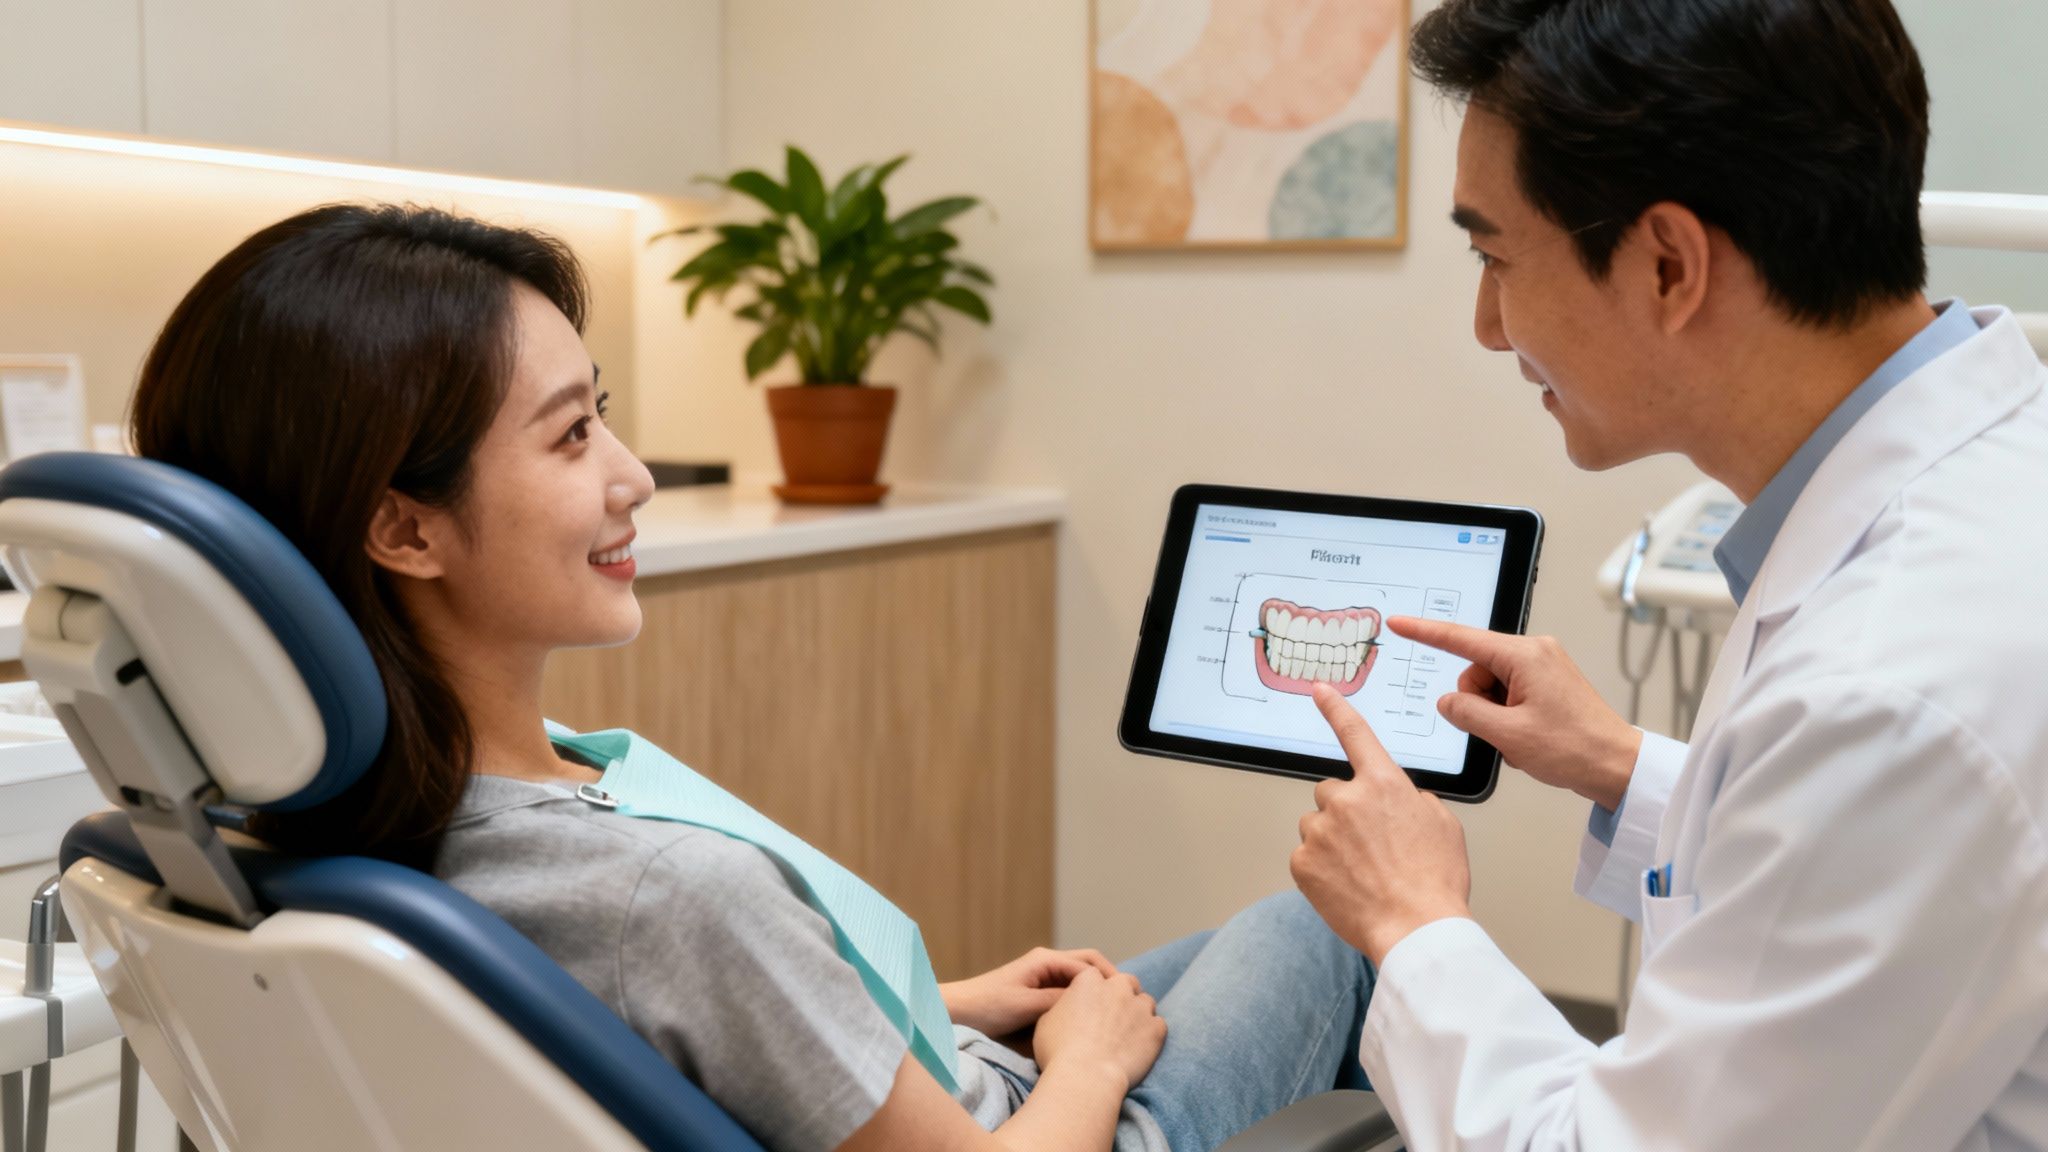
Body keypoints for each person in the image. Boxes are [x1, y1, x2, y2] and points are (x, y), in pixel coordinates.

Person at [128, 202, 1377, 1152]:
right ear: (404, 529)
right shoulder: (660, 895)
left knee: (1221, 944)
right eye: (571, 436)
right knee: (1344, 929)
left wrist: (932, 1002)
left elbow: (650, 1012)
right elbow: (676, 945)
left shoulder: (313, 827)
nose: (634, 475)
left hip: (919, 1059)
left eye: (603, 414)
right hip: (1029, 1127)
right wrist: (1090, 1070)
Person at [1287, 1, 2048, 1148]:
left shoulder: (1888, 688)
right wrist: (1625, 771)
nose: (1488, 325)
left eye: (1493, 255)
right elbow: (1851, 865)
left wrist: (1411, 921)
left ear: (1665, 263)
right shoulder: (1977, 490)